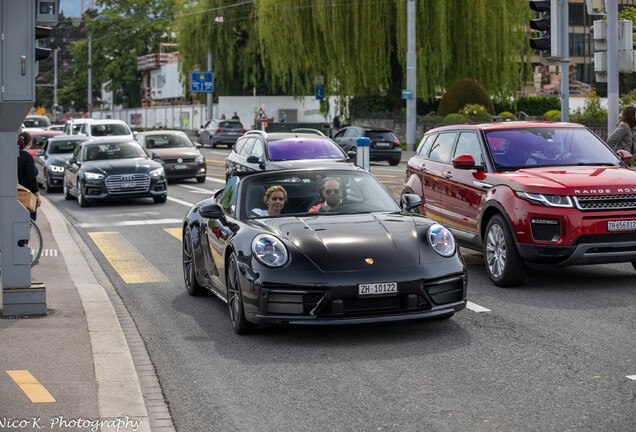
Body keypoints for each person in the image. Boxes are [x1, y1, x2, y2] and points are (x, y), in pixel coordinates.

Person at [17, 131, 41, 220]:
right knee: (28, 220)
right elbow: (31, 177)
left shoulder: (14, 156)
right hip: (26, 194)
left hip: (16, 192)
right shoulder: (28, 157)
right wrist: (37, 194)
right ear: (30, 142)